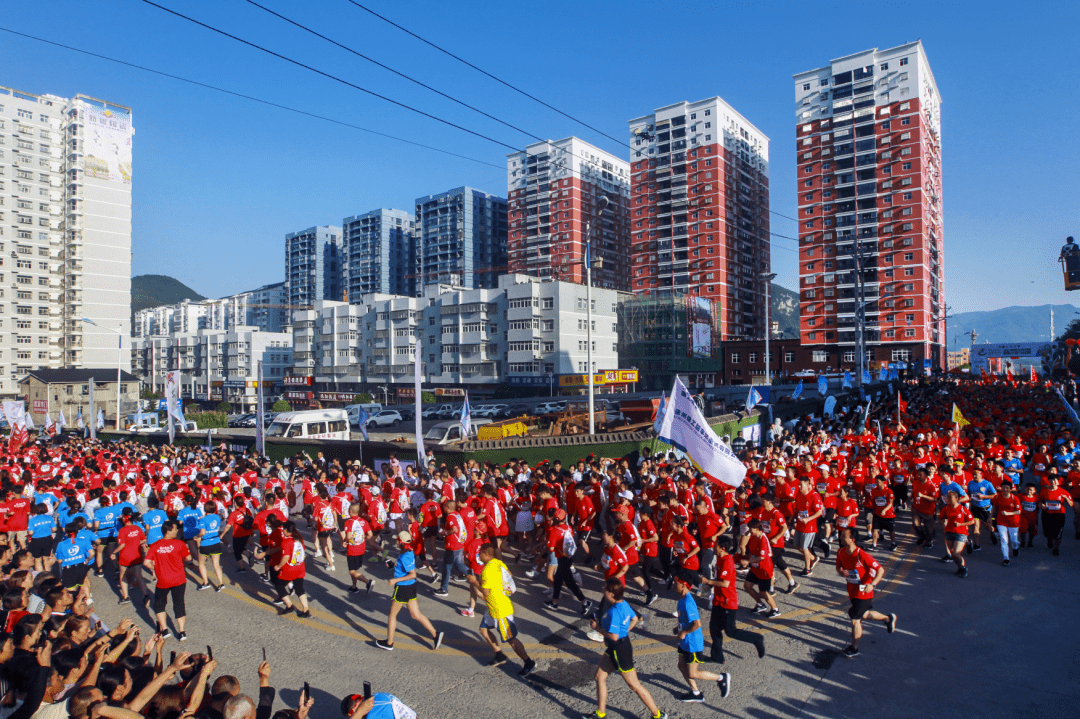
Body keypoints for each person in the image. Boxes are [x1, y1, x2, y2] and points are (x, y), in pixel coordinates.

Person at [584, 578, 667, 719]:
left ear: (611, 593)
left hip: (619, 650)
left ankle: (658, 715)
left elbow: (614, 636)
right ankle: (600, 713)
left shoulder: (614, 612)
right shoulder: (624, 604)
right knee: (599, 677)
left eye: (605, 589)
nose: (603, 590)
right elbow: (635, 619)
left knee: (634, 685)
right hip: (617, 647)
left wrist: (597, 628)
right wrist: (625, 631)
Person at [699, 536, 765, 664]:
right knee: (714, 629)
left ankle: (757, 638)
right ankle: (717, 656)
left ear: (722, 548)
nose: (713, 547)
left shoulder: (727, 562)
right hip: (718, 600)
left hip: (728, 602)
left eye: (715, 546)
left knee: (731, 631)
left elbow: (725, 583)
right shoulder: (721, 558)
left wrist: (707, 581)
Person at [376, 530, 444, 652]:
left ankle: (389, 643)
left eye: (397, 540)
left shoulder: (404, 556)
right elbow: (406, 568)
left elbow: (413, 574)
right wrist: (394, 566)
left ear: (400, 542)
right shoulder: (408, 552)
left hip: (403, 587)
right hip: (411, 587)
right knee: (415, 614)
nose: (395, 541)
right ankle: (435, 634)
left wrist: (394, 580)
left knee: (392, 615)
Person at [475, 543, 535, 676]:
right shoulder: (498, 562)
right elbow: (509, 574)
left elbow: (484, 592)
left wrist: (474, 582)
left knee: (511, 639)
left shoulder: (487, 571)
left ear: (485, 553)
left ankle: (528, 662)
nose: (478, 554)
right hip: (492, 607)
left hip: (499, 610)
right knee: (483, 630)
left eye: (480, 552)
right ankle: (499, 654)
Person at [834, 528, 896, 658]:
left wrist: (872, 584)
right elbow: (838, 566)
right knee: (865, 614)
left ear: (852, 539)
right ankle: (887, 618)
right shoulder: (840, 551)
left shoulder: (862, 554)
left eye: (844, 536)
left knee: (855, 618)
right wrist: (841, 572)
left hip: (864, 592)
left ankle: (854, 647)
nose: (841, 537)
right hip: (852, 590)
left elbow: (880, 570)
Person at [671, 570, 729, 702]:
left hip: (692, 643)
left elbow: (697, 624)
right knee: (681, 666)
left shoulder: (687, 602)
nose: (674, 585)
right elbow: (685, 620)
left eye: (676, 583)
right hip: (685, 641)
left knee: (693, 673)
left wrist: (684, 632)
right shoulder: (681, 599)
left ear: (683, 585)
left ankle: (721, 678)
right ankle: (696, 693)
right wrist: (678, 628)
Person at [144, 519, 192, 640]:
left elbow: (146, 562)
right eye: (175, 528)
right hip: (179, 579)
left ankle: (165, 630)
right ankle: (181, 632)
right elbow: (188, 558)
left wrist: (154, 568)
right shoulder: (179, 544)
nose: (177, 531)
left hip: (163, 580)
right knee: (179, 603)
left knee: (160, 604)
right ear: (169, 530)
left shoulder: (155, 545)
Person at [273, 521, 311, 618]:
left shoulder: (286, 542)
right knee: (299, 588)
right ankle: (306, 610)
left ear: (286, 530)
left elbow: (286, 557)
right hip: (300, 567)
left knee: (279, 585)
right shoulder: (299, 538)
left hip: (289, 569)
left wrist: (278, 566)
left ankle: (289, 605)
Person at [111, 512, 149, 607]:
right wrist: (136, 542)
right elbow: (144, 539)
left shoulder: (122, 530)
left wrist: (114, 552)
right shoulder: (137, 528)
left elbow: (122, 545)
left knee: (123, 576)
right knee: (139, 576)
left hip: (125, 557)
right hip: (136, 555)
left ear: (125, 519)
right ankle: (146, 595)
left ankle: (125, 597)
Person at [938, 490, 974, 578]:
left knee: (956, 553)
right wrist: (943, 521)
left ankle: (963, 568)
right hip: (949, 532)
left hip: (961, 533)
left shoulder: (963, 509)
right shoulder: (946, 508)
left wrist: (960, 524)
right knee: (952, 552)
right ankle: (960, 568)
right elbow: (940, 518)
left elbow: (972, 521)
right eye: (948, 497)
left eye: (950, 497)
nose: (948, 499)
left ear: (957, 499)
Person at [342, 503, 375, 594]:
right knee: (354, 569)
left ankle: (368, 582)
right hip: (362, 548)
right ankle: (354, 587)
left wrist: (344, 541)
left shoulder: (348, 522)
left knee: (352, 571)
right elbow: (370, 534)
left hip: (352, 549)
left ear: (350, 511)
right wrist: (364, 539)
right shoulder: (364, 521)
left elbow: (348, 536)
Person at [1039, 474, 1074, 555]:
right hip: (1047, 514)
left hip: (1059, 515)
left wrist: (1065, 498)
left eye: (1055, 481)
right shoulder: (1044, 490)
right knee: (1047, 532)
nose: (1053, 482)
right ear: (1048, 481)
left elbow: (1071, 504)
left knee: (1058, 534)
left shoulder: (1063, 491)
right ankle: (1049, 539)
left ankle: (1056, 548)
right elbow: (1039, 502)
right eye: (1051, 481)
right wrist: (1041, 505)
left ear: (1058, 482)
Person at [196, 501, 226, 592]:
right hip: (216, 542)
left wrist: (196, 537)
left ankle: (205, 583)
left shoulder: (203, 519)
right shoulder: (217, 517)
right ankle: (221, 583)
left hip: (205, 543)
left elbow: (202, 532)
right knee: (216, 564)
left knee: (201, 564)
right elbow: (217, 529)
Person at [993, 480, 1022, 566]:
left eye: (1007, 488)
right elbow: (994, 507)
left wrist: (1009, 513)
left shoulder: (1014, 498)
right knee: (1004, 539)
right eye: (1003, 488)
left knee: (1014, 540)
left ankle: (1015, 547)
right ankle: (1006, 558)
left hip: (1013, 522)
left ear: (1010, 489)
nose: (1005, 489)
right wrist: (990, 517)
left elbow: (1019, 511)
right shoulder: (998, 497)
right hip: (1001, 521)